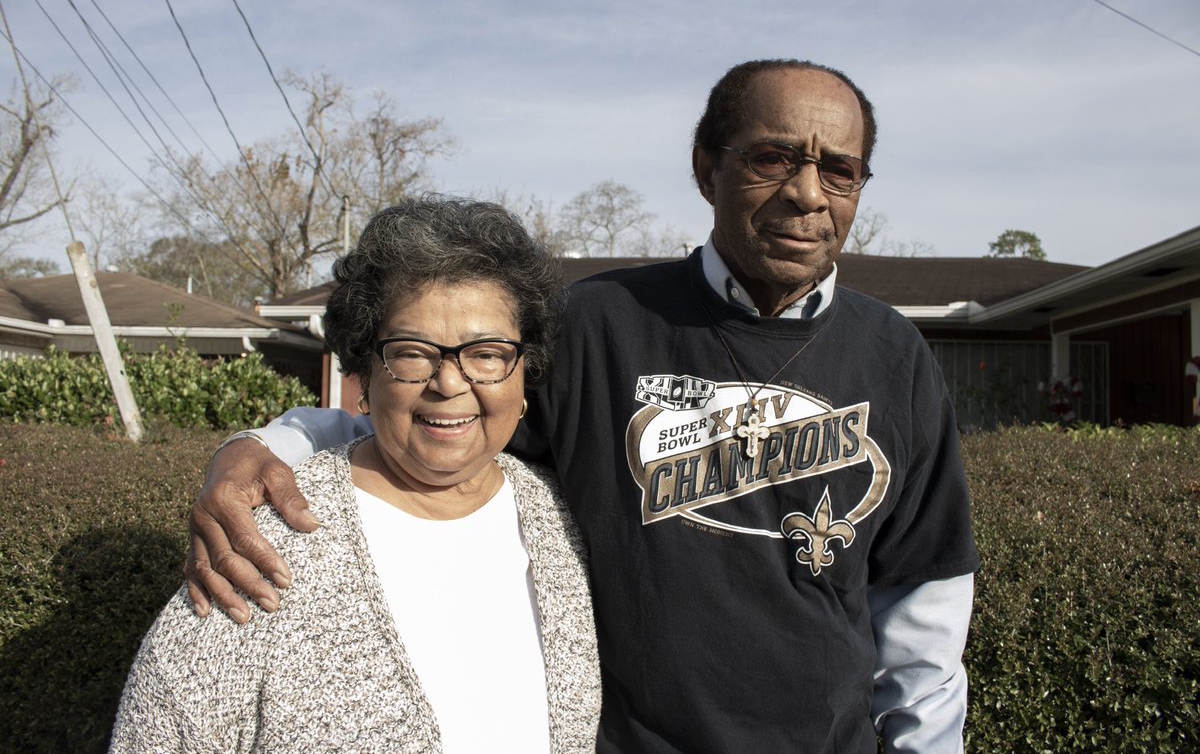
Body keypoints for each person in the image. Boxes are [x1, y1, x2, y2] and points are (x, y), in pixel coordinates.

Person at [188, 59, 979, 753]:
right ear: (706, 168)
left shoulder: (894, 354)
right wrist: (269, 446)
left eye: (840, 170)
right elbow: (438, 424)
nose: (807, 193)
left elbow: (922, 610)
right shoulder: (597, 324)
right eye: (773, 157)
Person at [111, 198, 601, 753]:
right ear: (364, 376)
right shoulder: (264, 545)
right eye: (413, 353)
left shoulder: (564, 519)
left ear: (523, 376)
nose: (449, 382)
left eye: (487, 353)